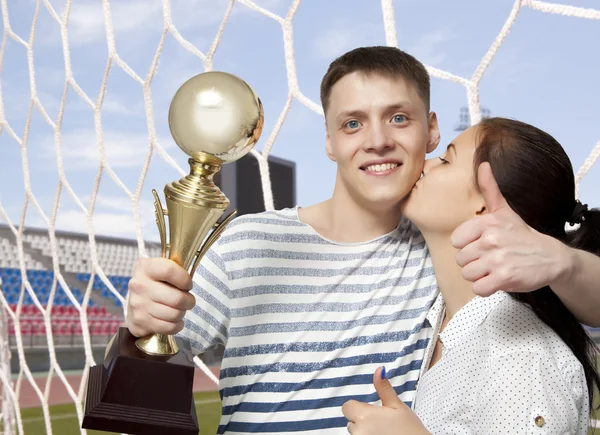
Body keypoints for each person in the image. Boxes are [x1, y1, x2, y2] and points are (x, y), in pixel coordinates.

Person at [125, 47, 600, 434]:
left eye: (398, 118)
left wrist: (562, 260)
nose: (376, 141)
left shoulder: (450, 253)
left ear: (431, 130)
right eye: (352, 123)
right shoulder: (246, 242)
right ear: (329, 140)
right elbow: (146, 386)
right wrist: (143, 325)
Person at [342, 118, 600, 434]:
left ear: (483, 206)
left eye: (446, 159)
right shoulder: (439, 317)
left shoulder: (521, 361)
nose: (426, 163)